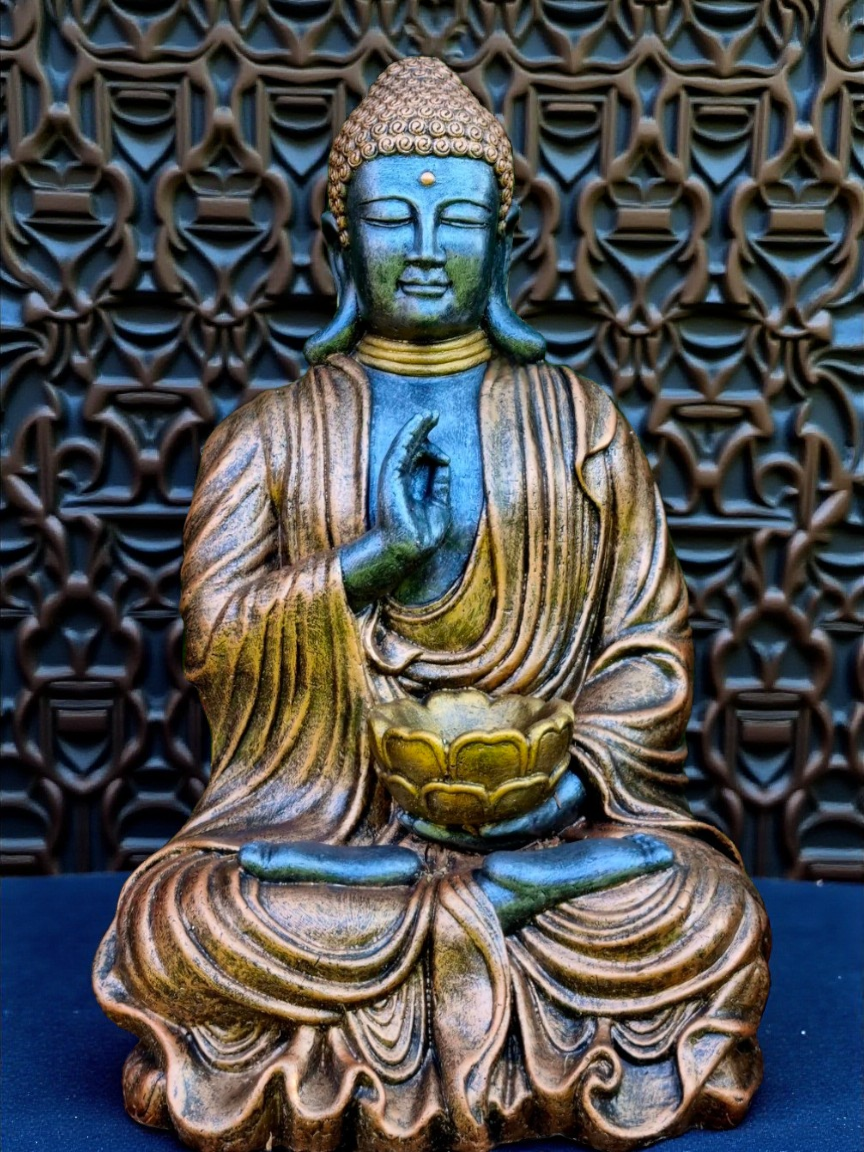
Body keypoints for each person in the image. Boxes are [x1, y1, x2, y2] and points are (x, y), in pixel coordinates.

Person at [94, 57, 770, 1152]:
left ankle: (486, 890)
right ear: (340, 241)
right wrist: (372, 562)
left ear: (503, 242)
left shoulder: (580, 424)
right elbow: (215, 644)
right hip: (330, 818)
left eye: (454, 219)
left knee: (708, 907)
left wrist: (559, 792)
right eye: (389, 218)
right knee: (181, 922)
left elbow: (648, 651)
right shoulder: (270, 433)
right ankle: (470, 904)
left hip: (543, 823)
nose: (420, 246)